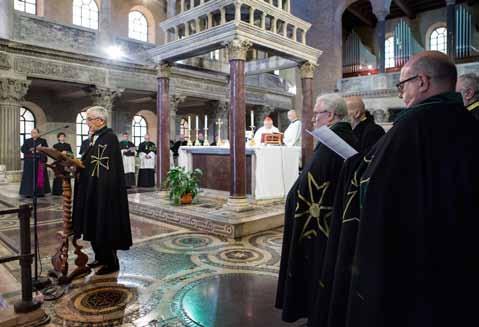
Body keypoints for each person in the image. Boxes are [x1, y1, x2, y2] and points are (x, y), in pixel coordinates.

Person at [346, 51, 479, 327]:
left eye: (402, 84)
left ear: (422, 82)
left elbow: (374, 186)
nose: (400, 93)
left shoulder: (411, 124)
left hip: (416, 258)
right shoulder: (469, 121)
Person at [276, 94, 358, 323]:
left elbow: (309, 184)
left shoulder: (332, 143)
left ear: (330, 115)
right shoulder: (349, 137)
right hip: (335, 222)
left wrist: (293, 202)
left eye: (317, 114)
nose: (313, 119)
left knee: (317, 270)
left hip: (319, 227)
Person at [72, 106, 132, 275]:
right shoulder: (95, 138)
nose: (87, 123)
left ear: (100, 120)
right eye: (87, 119)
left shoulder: (109, 138)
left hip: (104, 191)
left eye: (89, 119)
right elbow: (90, 161)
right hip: (92, 188)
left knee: (104, 224)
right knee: (93, 223)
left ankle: (111, 262)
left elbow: (106, 166)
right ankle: (100, 257)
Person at [19, 128, 51, 197]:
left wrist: (40, 150)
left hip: (39, 161)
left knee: (39, 177)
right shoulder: (27, 141)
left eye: (34, 132)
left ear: (38, 134)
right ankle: (28, 193)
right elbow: (23, 149)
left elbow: (47, 149)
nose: (33, 134)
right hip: (30, 163)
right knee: (30, 178)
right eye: (32, 132)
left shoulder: (43, 141)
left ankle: (40, 192)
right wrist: (31, 150)